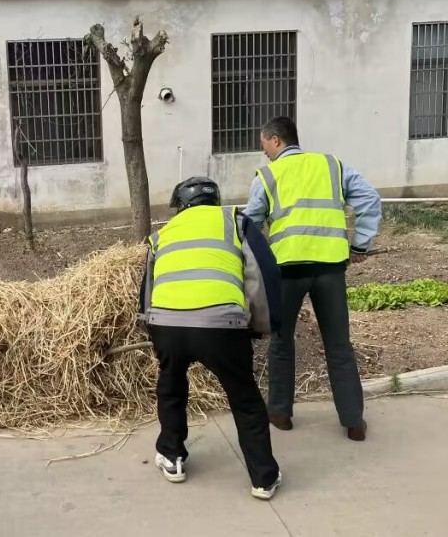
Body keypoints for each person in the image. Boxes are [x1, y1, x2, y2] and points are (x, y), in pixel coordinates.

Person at [139, 176, 284, 500]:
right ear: (214, 200)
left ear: (181, 206)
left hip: (167, 324)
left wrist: (152, 328)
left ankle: (172, 457)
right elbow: (262, 273)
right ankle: (263, 478)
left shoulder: (162, 234)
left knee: (171, 386)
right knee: (244, 397)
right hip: (221, 325)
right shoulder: (236, 222)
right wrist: (261, 323)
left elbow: (147, 288)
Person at [244, 116, 382, 441]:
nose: (264, 152)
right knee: (339, 345)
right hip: (330, 269)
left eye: (264, 145)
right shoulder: (332, 166)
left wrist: (257, 261)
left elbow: (250, 224)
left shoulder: (268, 175)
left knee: (281, 342)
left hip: (287, 272)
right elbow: (370, 199)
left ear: (276, 140)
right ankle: (353, 422)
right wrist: (360, 244)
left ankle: (280, 413)